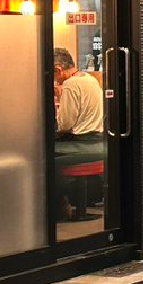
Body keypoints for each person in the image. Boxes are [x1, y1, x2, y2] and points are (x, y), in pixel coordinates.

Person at [53, 47, 105, 221]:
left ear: (58, 69)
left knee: (45, 161)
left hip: (82, 145)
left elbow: (65, 124)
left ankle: (59, 208)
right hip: (98, 143)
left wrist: (62, 100)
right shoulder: (90, 79)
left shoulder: (70, 84)